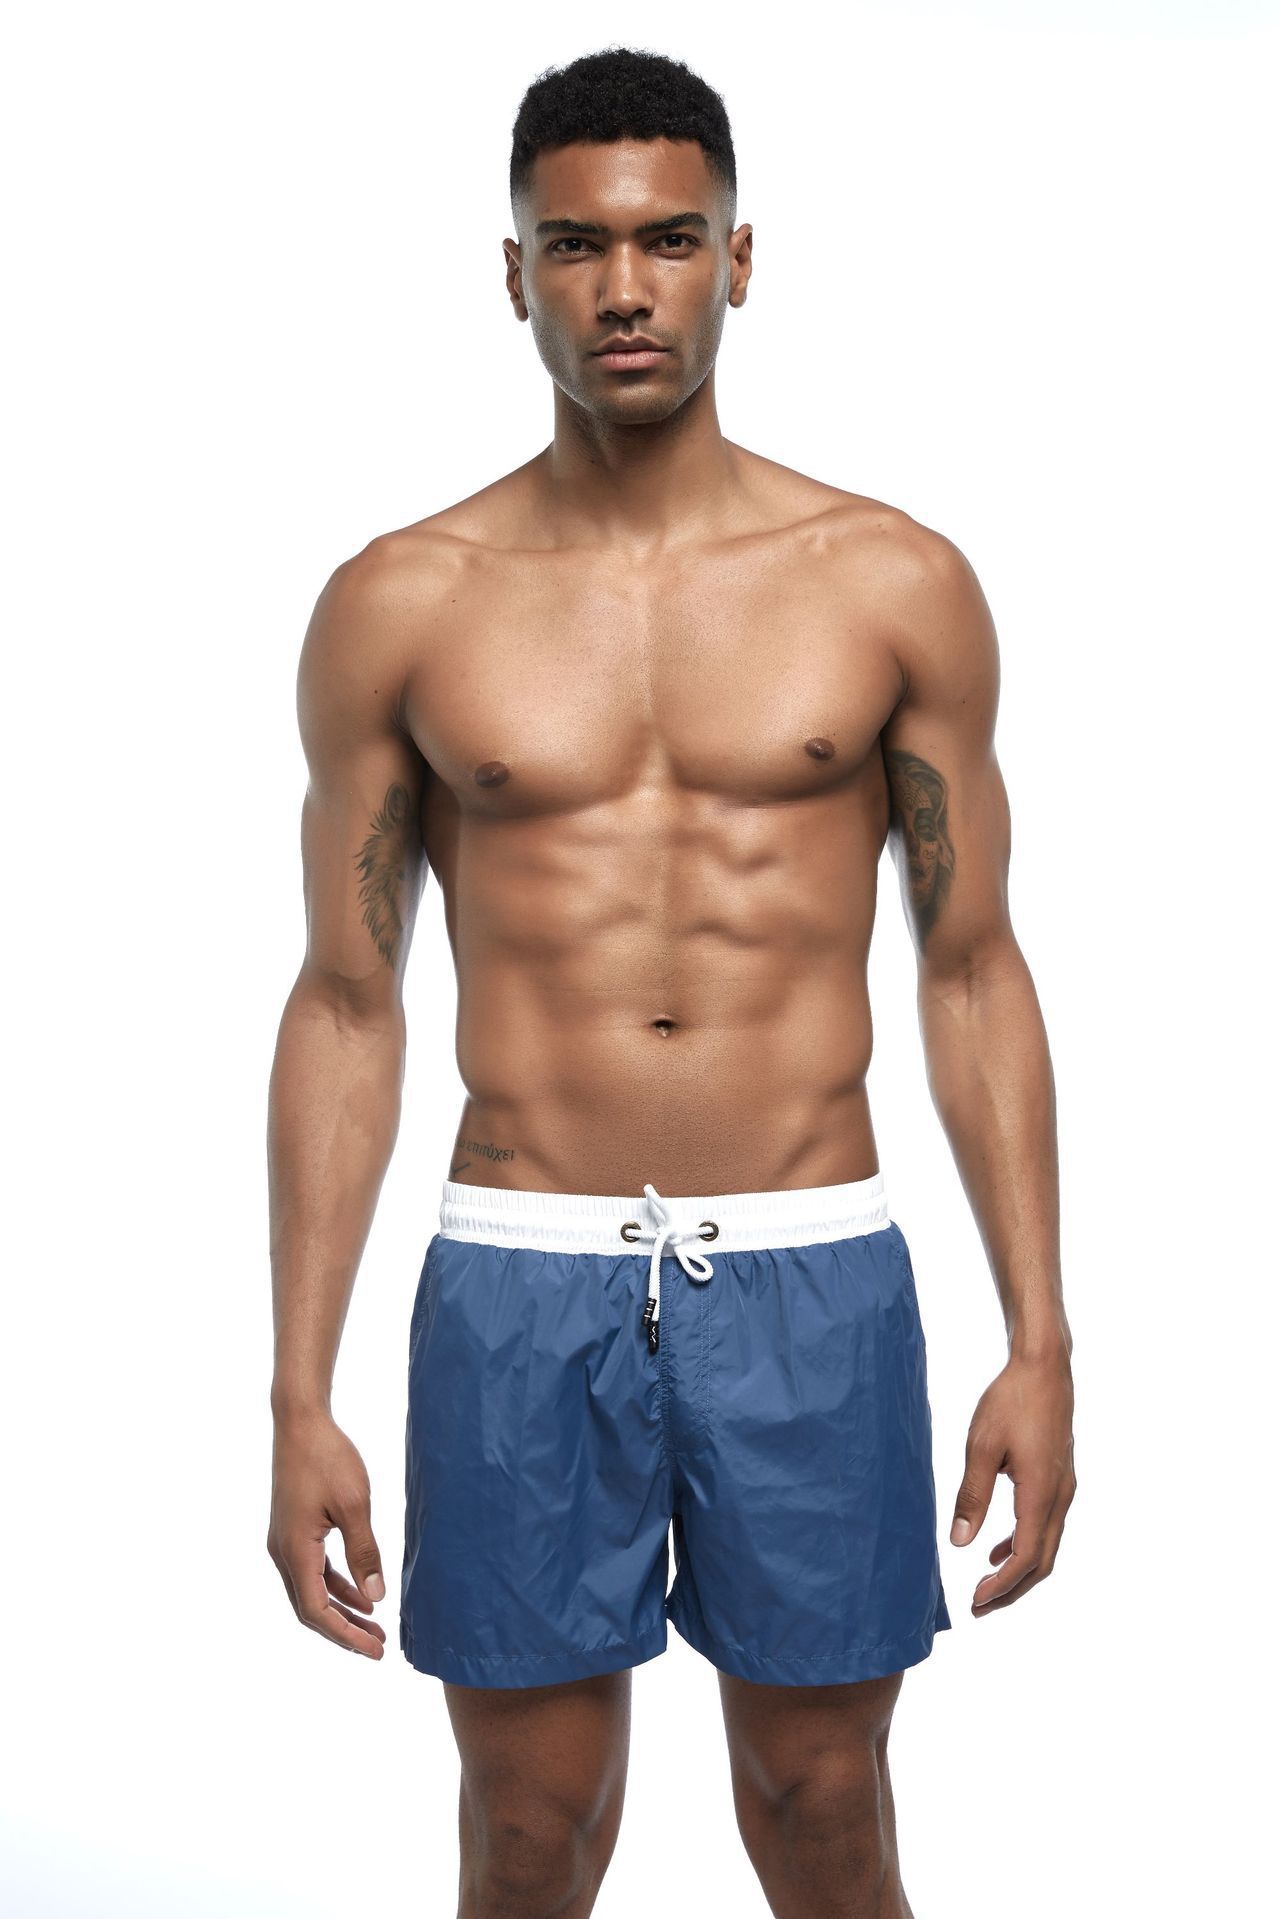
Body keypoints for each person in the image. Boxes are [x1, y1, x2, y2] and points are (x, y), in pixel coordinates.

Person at [266, 44, 1076, 1919]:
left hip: (810, 1265)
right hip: (521, 1271)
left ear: (738, 258)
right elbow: (346, 1003)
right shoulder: (403, 602)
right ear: (515, 273)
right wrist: (297, 1390)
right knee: (529, 1830)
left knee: (824, 1804)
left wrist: (1040, 1341)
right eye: (576, 246)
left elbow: (972, 968)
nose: (624, 289)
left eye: (668, 240)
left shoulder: (889, 582)